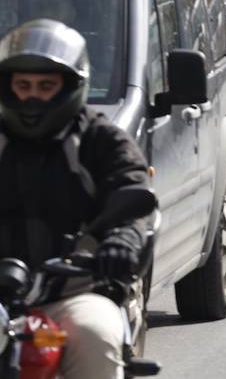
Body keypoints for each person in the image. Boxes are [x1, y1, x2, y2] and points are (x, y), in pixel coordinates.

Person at [0, 19, 154, 379]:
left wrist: (120, 243)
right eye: (23, 85)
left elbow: (131, 198)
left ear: (69, 87)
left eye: (46, 85)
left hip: (73, 291)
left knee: (95, 333)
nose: (33, 96)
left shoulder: (102, 140)